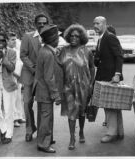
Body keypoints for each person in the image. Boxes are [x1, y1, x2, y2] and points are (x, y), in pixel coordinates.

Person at [58, 24, 95, 150]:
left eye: (77, 36)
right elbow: (58, 67)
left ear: (81, 38)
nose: (74, 38)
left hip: (83, 85)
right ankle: (72, 138)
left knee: (82, 111)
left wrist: (91, 84)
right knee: (71, 112)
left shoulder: (87, 51)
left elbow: (91, 67)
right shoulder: (63, 50)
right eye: (72, 35)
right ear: (68, 36)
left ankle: (81, 132)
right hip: (68, 86)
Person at [93, 16, 124, 143]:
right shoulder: (101, 38)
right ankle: (119, 132)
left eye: (98, 23)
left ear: (105, 24)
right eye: (94, 23)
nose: (95, 25)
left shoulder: (110, 37)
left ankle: (111, 133)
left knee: (109, 105)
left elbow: (119, 56)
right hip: (104, 75)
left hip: (110, 77)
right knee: (113, 105)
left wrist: (117, 74)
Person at [20, 13, 49, 142]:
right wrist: (33, 68)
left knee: (43, 106)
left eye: (44, 23)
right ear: (35, 24)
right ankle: (29, 129)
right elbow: (23, 55)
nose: (42, 25)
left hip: (44, 78)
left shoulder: (50, 38)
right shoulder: (27, 37)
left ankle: (43, 133)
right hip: (29, 75)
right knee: (27, 104)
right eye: (39, 23)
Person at [35, 25, 62, 153]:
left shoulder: (44, 50)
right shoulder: (48, 54)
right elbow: (49, 77)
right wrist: (56, 95)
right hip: (46, 92)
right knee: (46, 118)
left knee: (44, 117)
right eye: (57, 37)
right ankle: (44, 144)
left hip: (41, 91)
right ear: (53, 39)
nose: (59, 39)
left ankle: (46, 139)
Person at [7, 32, 26, 127]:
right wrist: (16, 75)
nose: (14, 41)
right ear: (7, 41)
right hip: (11, 78)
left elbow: (20, 64)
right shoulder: (6, 51)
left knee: (19, 98)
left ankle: (19, 116)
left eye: (15, 39)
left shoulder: (16, 51)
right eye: (12, 39)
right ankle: (14, 120)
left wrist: (20, 76)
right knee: (12, 99)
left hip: (18, 77)